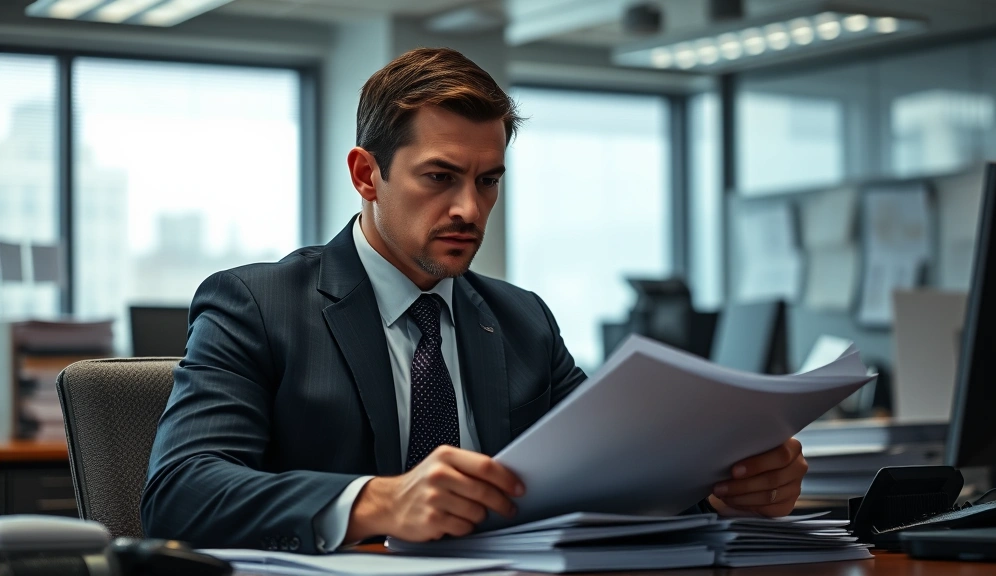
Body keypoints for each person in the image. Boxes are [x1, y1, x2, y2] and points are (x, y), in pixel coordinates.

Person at [141, 47, 808, 554]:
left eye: (488, 181)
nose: (470, 208)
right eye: (440, 177)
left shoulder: (523, 322)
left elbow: (608, 477)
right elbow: (180, 492)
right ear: (366, 174)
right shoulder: (257, 305)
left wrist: (718, 490)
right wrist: (376, 502)